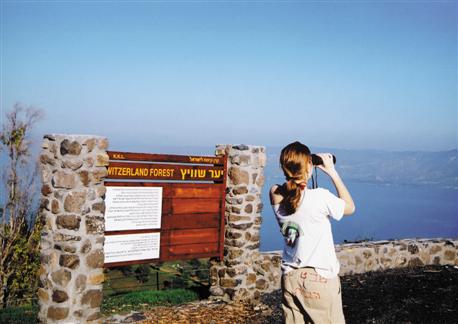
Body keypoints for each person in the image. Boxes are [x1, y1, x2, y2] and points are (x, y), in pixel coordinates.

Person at [270, 141, 355, 324]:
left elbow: (288, 189)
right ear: (309, 166)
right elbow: (350, 207)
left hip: (290, 278)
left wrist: (305, 166)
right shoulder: (320, 197)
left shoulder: (275, 194)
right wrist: (331, 171)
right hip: (320, 279)